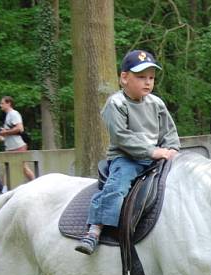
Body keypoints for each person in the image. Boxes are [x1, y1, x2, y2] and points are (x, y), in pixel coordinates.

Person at [76, 49, 180, 255]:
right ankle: (95, 229)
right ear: (124, 78)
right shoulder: (116, 104)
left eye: (151, 77)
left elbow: (169, 131)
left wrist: (172, 149)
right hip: (127, 158)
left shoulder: (156, 103)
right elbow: (122, 137)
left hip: (157, 157)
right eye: (141, 77)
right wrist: (153, 152)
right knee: (118, 185)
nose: (147, 82)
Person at [0, 96, 35, 181]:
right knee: (7, 168)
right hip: (10, 146)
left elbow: (20, 128)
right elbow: (11, 130)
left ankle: (35, 183)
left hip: (18, 145)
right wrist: (3, 135)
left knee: (23, 168)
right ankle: (6, 189)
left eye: (2, 103)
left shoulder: (13, 113)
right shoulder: (7, 115)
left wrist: (4, 132)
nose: (0, 105)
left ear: (9, 103)